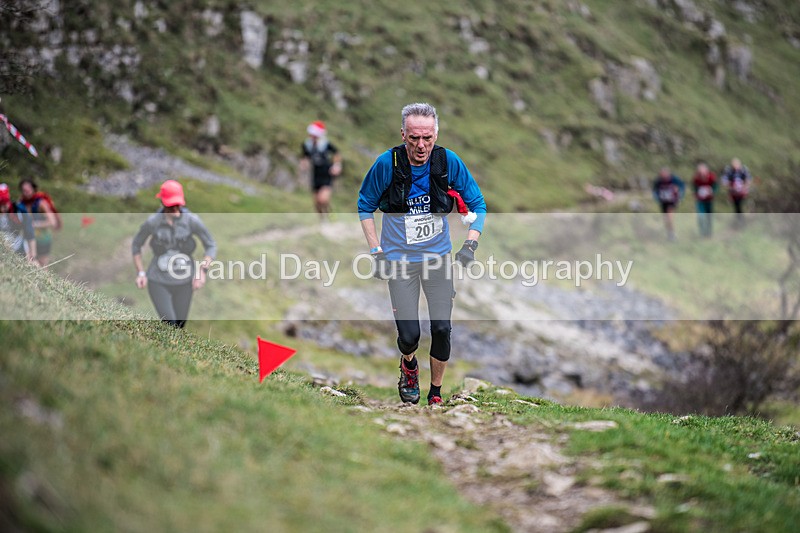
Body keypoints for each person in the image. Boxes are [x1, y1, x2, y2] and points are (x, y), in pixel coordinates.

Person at [357, 102, 486, 406]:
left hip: (438, 259)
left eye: (427, 138)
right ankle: (409, 365)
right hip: (399, 262)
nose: (421, 145)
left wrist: (470, 244)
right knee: (409, 335)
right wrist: (376, 251)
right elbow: (365, 206)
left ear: (435, 134)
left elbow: (477, 203)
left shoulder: (447, 161)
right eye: (414, 138)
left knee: (441, 328)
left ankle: (436, 394)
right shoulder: (386, 164)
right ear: (403, 134)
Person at [132, 180, 216, 328]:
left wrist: (202, 271)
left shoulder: (192, 221)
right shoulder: (153, 222)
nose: (176, 210)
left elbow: (210, 245)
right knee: (170, 325)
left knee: (179, 327)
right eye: (171, 206)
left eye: (178, 205)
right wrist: (141, 273)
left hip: (185, 282)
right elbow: (136, 245)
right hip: (158, 281)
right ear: (163, 203)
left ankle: (169, 351)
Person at [300, 120, 342, 220]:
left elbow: (336, 153)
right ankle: (322, 220)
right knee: (317, 202)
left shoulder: (325, 144)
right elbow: (305, 157)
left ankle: (329, 214)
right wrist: (303, 165)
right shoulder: (307, 145)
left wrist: (336, 165)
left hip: (327, 174)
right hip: (315, 174)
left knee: (323, 199)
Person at [16, 178, 58, 266]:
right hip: (27, 239)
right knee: (28, 264)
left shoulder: (41, 203)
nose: (25, 193)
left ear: (33, 189)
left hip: (42, 240)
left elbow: (52, 222)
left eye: (28, 190)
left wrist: (34, 224)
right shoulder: (20, 202)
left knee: (42, 267)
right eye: (23, 190)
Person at [0, 183, 37, 262]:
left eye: (5, 202)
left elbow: (29, 232)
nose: (3, 207)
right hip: (3, 248)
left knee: (33, 263)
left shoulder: (18, 210)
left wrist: (33, 255)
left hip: (19, 247)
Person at [652, 167, 685, 240]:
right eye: (662, 175)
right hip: (663, 202)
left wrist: (680, 196)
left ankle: (672, 234)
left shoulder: (674, 179)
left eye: (665, 174)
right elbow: (654, 191)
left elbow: (682, 186)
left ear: (668, 173)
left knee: (670, 217)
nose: (664, 176)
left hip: (672, 201)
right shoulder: (658, 181)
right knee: (665, 219)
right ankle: (670, 233)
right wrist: (657, 199)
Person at [720, 157, 753, 225]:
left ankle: (744, 219)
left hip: (743, 192)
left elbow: (748, 179)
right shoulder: (729, 171)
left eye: (737, 164)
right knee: (737, 207)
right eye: (734, 164)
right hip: (734, 193)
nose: (736, 166)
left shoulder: (743, 170)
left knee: (742, 206)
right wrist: (729, 185)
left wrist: (745, 186)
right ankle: (739, 221)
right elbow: (724, 180)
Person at [692, 163, 717, 237]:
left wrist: (712, 191)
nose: (702, 173)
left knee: (709, 216)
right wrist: (695, 194)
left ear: (706, 171)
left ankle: (709, 232)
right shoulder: (696, 178)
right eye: (700, 172)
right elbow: (694, 188)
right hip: (700, 201)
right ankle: (702, 233)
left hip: (709, 200)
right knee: (701, 216)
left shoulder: (711, 177)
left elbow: (716, 186)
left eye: (703, 171)